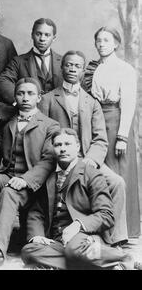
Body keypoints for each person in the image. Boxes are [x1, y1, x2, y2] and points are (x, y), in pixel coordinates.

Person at [39, 50, 128, 246]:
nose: (72, 69)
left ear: (83, 70)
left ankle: (113, 239)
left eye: (77, 66)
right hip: (59, 159)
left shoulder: (92, 102)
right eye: (68, 64)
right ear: (62, 67)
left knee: (117, 182)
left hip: (86, 158)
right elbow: (42, 135)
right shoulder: (47, 99)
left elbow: (100, 139)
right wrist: (59, 154)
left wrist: (90, 160)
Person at [21, 128, 142, 270]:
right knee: (28, 251)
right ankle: (91, 262)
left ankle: (124, 259)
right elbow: (37, 212)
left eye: (67, 144)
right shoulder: (48, 175)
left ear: (77, 147)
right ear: (53, 148)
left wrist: (78, 224)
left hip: (84, 235)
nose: (63, 149)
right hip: (57, 241)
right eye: (58, 145)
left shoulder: (91, 174)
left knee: (75, 249)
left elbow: (106, 214)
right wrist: (37, 235)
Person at [0, 78, 59, 268]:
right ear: (15, 97)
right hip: (9, 174)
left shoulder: (50, 126)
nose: (25, 97)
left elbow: (48, 160)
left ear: (39, 97)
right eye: (20, 93)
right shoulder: (8, 122)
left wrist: (26, 180)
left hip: (34, 185)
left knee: (9, 191)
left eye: (30, 93)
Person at [81, 27, 140, 238]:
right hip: (96, 120)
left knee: (119, 174)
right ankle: (102, 227)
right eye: (98, 40)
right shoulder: (92, 68)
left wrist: (122, 136)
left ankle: (122, 231)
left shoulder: (125, 69)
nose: (101, 44)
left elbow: (129, 103)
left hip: (116, 121)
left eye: (107, 40)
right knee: (99, 171)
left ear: (116, 43)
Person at [0, 18, 62, 105]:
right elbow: (2, 81)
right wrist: (18, 100)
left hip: (56, 112)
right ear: (32, 35)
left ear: (54, 38)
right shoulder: (18, 61)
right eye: (38, 34)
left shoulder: (63, 62)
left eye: (47, 35)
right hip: (28, 111)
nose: (42, 38)